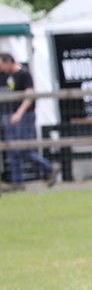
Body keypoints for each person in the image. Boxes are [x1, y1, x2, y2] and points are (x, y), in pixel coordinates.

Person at [0, 53, 57, 190]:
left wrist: (19, 113)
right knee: (12, 150)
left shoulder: (24, 74)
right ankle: (17, 183)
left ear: (8, 62)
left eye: (1, 64)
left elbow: (29, 96)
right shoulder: (8, 76)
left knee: (23, 148)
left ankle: (49, 168)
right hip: (12, 116)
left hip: (25, 116)